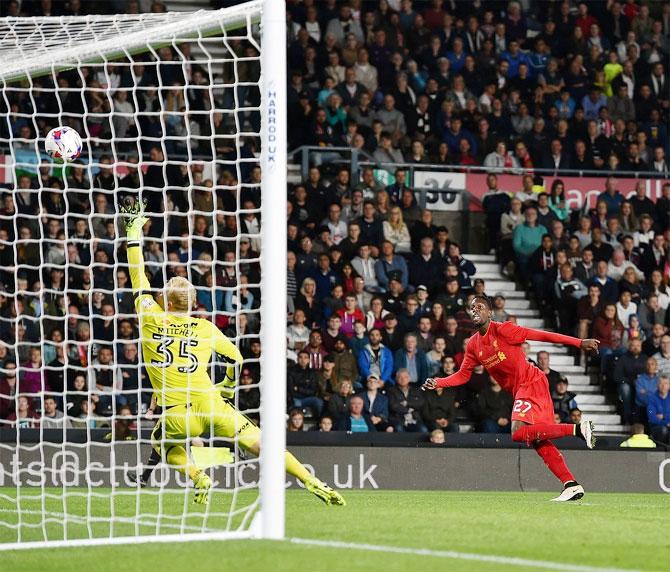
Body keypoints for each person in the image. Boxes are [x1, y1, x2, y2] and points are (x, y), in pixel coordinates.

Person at [119, 199, 344, 506]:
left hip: (177, 414)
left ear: (167, 303)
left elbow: (137, 275)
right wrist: (225, 387)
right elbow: (237, 360)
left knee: (165, 445)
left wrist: (133, 232)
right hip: (212, 404)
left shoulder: (149, 316)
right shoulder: (206, 329)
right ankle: (309, 478)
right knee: (262, 444)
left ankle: (198, 475)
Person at [423, 295, 599, 501]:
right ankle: (571, 484)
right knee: (537, 439)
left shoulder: (504, 330)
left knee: (517, 433)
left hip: (531, 382)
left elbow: (540, 335)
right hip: (521, 389)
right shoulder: (473, 344)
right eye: (472, 308)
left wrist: (578, 342)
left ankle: (578, 428)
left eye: (480, 307)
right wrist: (439, 382)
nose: (475, 310)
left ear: (490, 312)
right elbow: (463, 375)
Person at [647, 376, 670, 444]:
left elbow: (658, 417)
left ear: (669, 385)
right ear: (657, 385)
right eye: (661, 383)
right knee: (664, 430)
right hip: (656, 427)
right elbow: (652, 418)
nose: (663, 386)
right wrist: (667, 423)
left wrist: (664, 416)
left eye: (666, 383)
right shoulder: (651, 398)